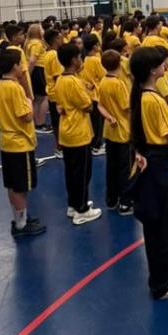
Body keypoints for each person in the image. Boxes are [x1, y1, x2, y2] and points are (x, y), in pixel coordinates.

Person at [130, 46, 168, 300]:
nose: (166, 66)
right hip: (160, 167)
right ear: (152, 70)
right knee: (162, 226)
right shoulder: (155, 101)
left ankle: (165, 272)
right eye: (161, 64)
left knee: (163, 224)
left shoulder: (140, 96)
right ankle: (162, 284)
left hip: (153, 166)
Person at [0, 49, 46, 238]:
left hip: (7, 141)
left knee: (13, 184)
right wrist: (29, 100)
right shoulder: (14, 88)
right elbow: (26, 116)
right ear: (15, 66)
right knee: (21, 186)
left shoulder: (0, 85)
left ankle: (19, 218)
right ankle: (21, 224)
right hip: (19, 143)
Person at [54, 44, 102, 224]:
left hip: (67, 131)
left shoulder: (61, 79)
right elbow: (88, 106)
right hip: (78, 132)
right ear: (74, 60)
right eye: (79, 57)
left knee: (71, 171)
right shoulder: (73, 82)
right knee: (82, 173)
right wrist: (88, 91)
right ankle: (81, 209)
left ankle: (73, 203)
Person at [97, 49, 134, 215]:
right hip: (123, 131)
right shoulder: (119, 84)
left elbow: (100, 105)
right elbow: (127, 109)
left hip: (110, 132)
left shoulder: (103, 81)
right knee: (126, 169)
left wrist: (109, 117)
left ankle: (111, 199)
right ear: (119, 64)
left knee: (111, 166)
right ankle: (125, 202)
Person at [81, 33, 106, 157]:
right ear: (95, 45)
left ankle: (93, 143)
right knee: (97, 122)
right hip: (96, 94)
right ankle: (96, 145)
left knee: (92, 121)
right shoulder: (96, 60)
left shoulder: (84, 59)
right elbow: (104, 75)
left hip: (87, 93)